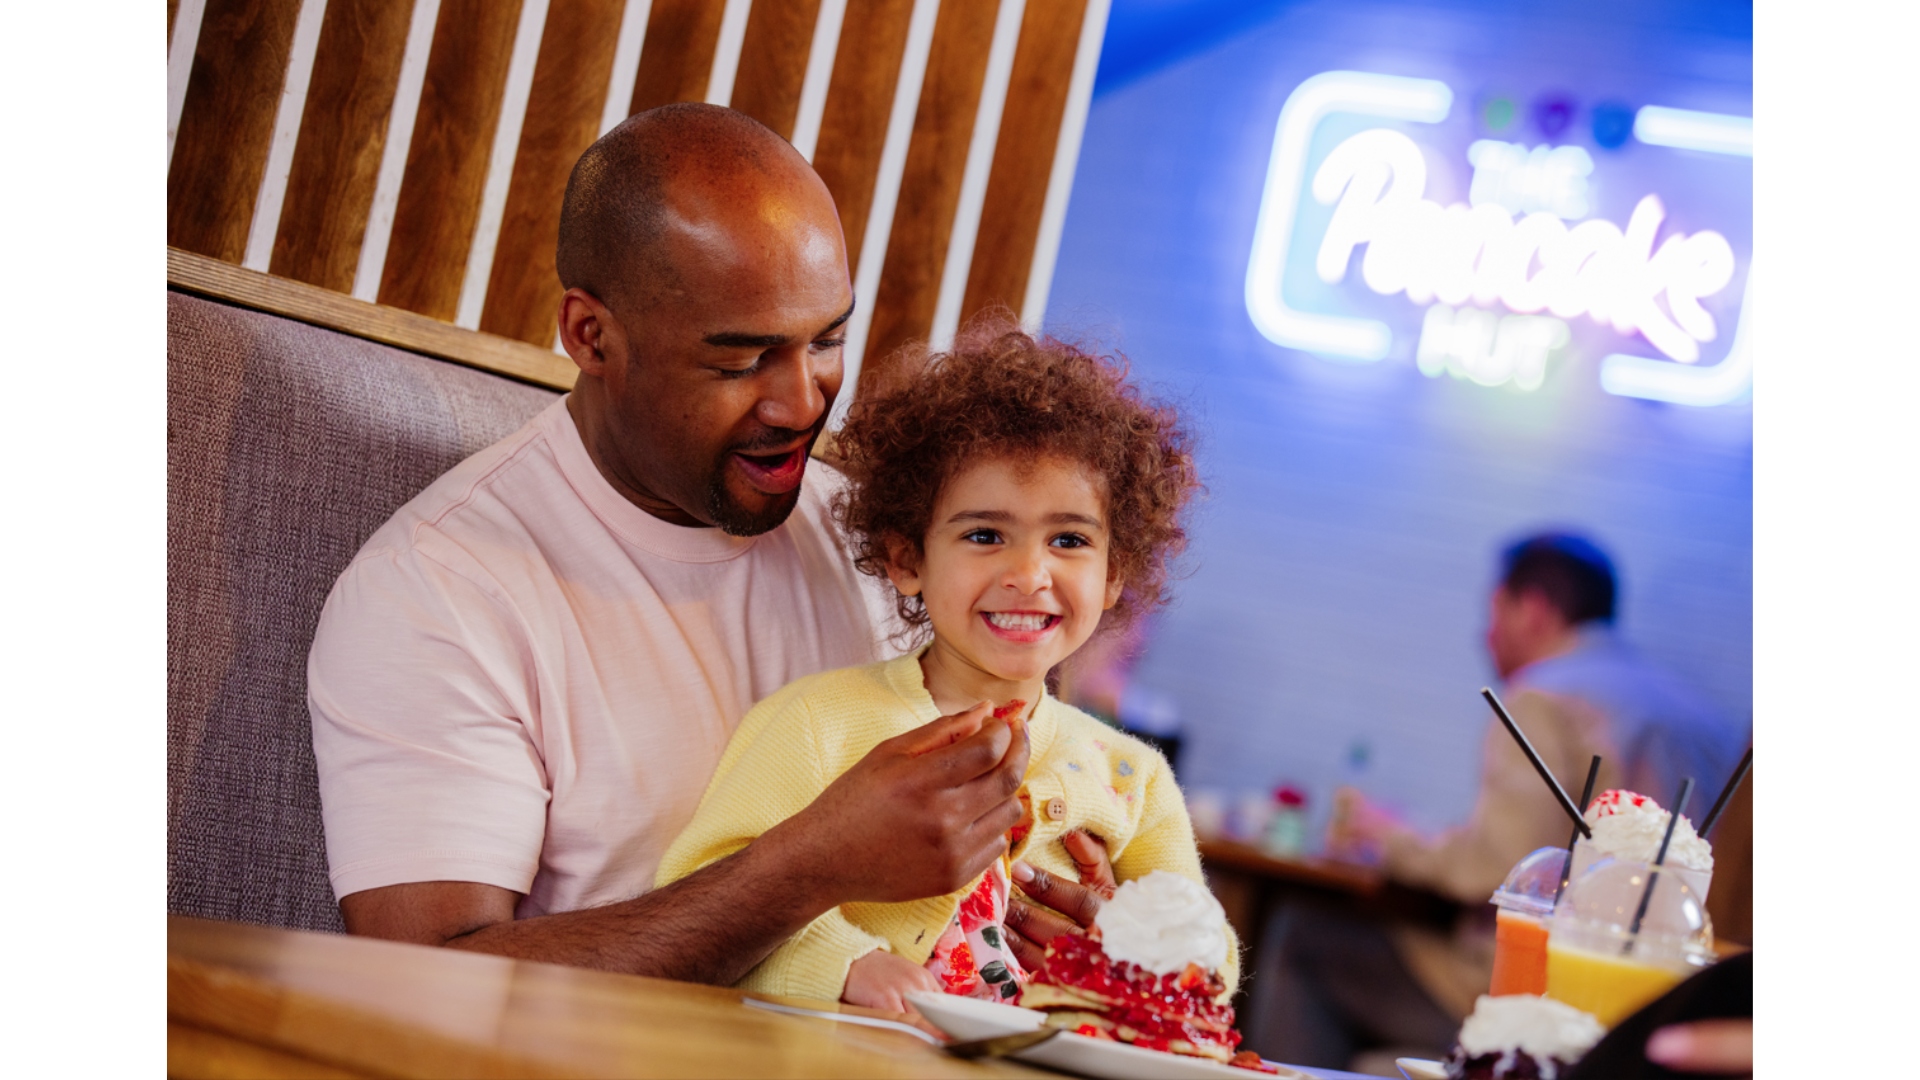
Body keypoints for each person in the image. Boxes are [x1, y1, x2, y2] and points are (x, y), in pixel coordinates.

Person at [305, 104, 1109, 985]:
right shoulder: (441, 591)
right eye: (739, 361)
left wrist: (1059, 916)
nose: (801, 403)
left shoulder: (884, 543)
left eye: (828, 339)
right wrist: (811, 865)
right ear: (591, 335)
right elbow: (422, 986)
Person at [654, 323, 1223, 1015]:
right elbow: (710, 889)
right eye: (985, 535)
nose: (1028, 574)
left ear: (1112, 578)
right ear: (908, 560)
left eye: (1069, 539)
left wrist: (1143, 959)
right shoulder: (817, 723)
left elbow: (1204, 959)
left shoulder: (1133, 779)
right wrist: (846, 964)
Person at [1244, 532, 1748, 1071]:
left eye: (1493, 612)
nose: (1483, 635)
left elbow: (1495, 866)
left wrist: (1386, 836)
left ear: (1532, 610)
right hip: (1660, 1003)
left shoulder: (1543, 693)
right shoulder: (1696, 713)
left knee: (1303, 937)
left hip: (1535, 987)